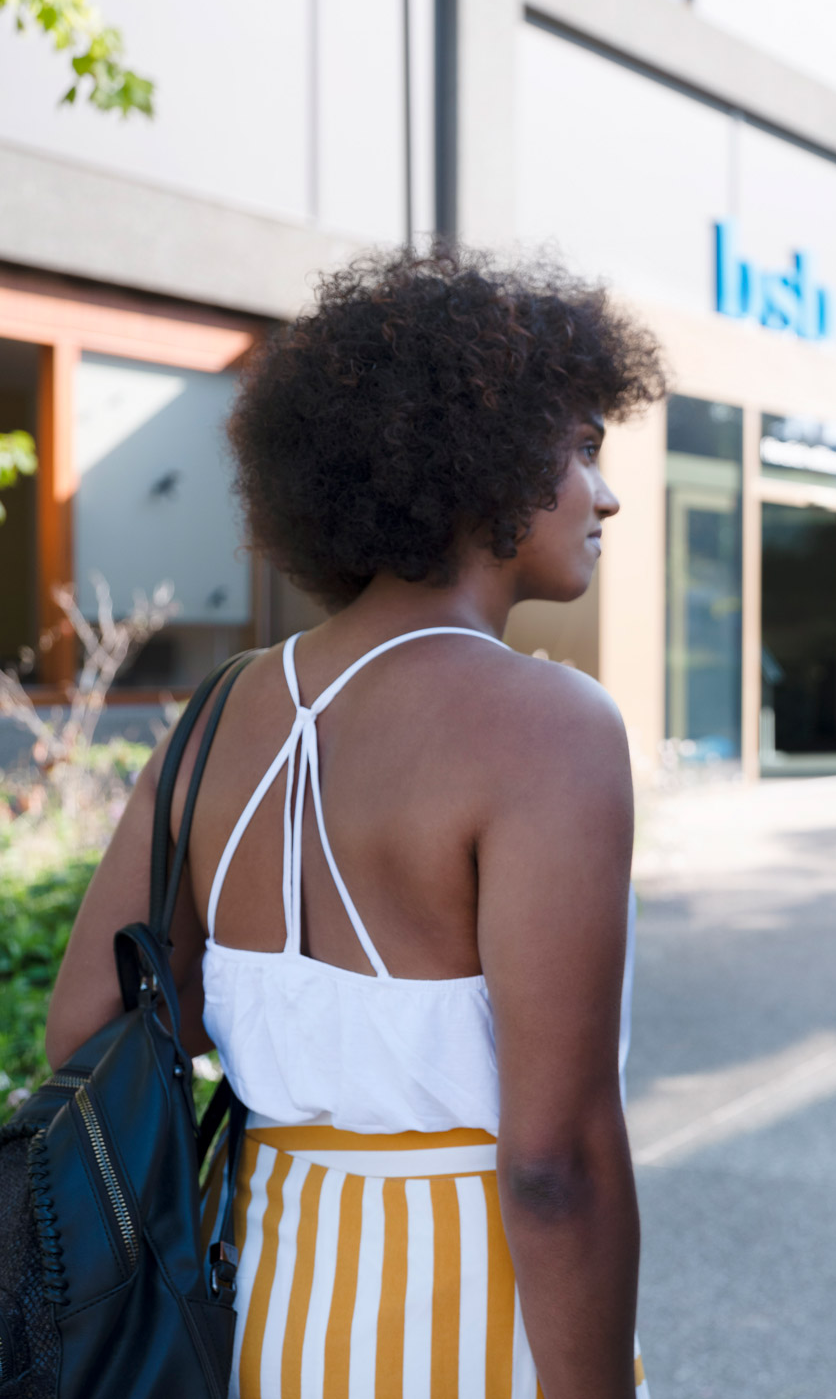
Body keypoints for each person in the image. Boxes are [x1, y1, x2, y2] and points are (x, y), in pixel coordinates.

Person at [44, 248, 666, 1397]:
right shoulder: (550, 727)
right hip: (474, 1324)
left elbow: (85, 1030)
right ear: (480, 459)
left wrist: (299, 1042)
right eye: (582, 449)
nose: (606, 494)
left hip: (254, 1309)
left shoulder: (224, 708)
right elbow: (553, 1166)